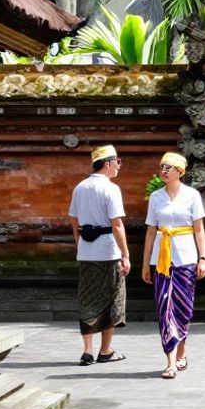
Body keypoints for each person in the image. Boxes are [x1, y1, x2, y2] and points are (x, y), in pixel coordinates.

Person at [142, 152, 205, 379]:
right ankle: (170, 361)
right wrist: (144, 264)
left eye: (169, 167)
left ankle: (182, 351)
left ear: (180, 171)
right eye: (162, 167)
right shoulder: (155, 197)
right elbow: (151, 231)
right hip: (161, 260)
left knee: (183, 307)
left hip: (186, 257)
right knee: (164, 308)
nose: (164, 171)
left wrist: (203, 258)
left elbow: (199, 229)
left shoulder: (192, 196)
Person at [68, 144, 130, 366]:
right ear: (108, 163)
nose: (118, 167)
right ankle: (105, 350)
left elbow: (74, 220)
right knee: (112, 299)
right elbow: (117, 225)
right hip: (108, 251)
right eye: (117, 162)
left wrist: (79, 243)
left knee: (88, 298)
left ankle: (87, 350)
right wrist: (126, 254)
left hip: (87, 251)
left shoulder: (80, 187)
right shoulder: (111, 188)